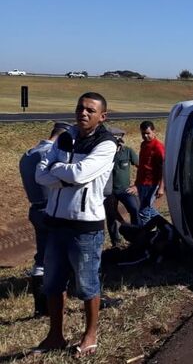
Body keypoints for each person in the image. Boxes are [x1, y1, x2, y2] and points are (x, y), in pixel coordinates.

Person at [33, 92, 117, 357]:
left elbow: (80, 174)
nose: (83, 113)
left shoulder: (106, 143)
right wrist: (63, 173)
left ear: (102, 116)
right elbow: (39, 175)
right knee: (53, 284)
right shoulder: (66, 137)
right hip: (55, 223)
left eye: (90, 110)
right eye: (80, 108)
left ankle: (90, 335)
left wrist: (57, 169)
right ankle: (55, 335)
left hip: (85, 227)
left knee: (87, 285)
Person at [19, 121, 71, 316]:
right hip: (52, 209)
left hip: (35, 207)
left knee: (41, 257)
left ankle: (40, 305)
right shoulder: (49, 155)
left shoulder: (28, 155)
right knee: (59, 256)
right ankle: (53, 300)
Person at [104, 127, 140, 247]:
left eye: (118, 139)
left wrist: (136, 185)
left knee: (135, 209)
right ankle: (116, 242)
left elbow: (141, 167)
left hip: (125, 189)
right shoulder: (103, 154)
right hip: (109, 191)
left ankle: (137, 236)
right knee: (111, 216)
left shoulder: (128, 151)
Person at [127, 120, 165, 227]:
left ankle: (145, 235)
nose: (145, 136)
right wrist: (137, 183)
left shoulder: (158, 147)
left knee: (144, 211)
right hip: (142, 182)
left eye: (148, 133)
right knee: (147, 208)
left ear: (154, 131)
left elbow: (164, 169)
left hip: (152, 183)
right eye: (143, 133)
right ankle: (164, 226)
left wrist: (161, 187)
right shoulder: (143, 144)